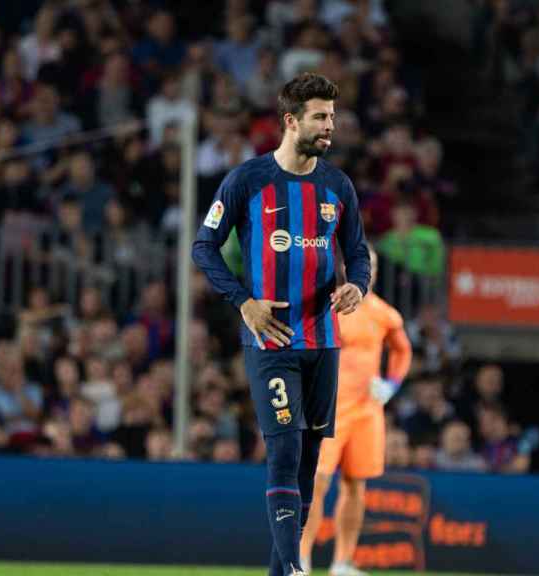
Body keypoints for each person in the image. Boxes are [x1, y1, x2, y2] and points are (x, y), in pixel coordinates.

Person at [192, 72, 370, 576]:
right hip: (271, 340)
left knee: (309, 462)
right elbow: (202, 246)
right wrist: (244, 301)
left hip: (325, 342)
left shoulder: (338, 185)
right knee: (285, 446)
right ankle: (295, 566)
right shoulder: (247, 180)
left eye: (332, 116)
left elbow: (357, 253)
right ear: (291, 121)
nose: (330, 125)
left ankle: (282, 571)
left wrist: (358, 285)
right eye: (320, 116)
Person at [299, 244, 412, 576]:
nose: (368, 269)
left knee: (355, 485)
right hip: (328, 408)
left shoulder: (385, 314)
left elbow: (403, 352)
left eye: (372, 264)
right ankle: (301, 559)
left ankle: (342, 563)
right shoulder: (326, 306)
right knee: (317, 482)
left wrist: (391, 384)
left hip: (367, 411)